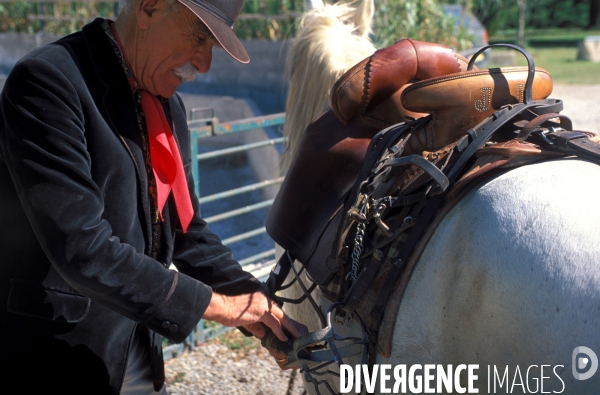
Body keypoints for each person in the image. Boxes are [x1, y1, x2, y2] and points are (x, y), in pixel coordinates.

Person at [0, 0, 302, 393]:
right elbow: (82, 247)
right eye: (199, 38)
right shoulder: (47, 82)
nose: (205, 64)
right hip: (58, 356)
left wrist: (253, 299)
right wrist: (220, 307)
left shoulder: (168, 105)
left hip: (138, 348)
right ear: (149, 7)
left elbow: (187, 231)